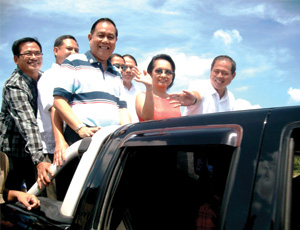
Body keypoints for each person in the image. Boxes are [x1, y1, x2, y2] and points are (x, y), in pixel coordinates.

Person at [53, 18, 131, 199]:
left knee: (101, 199)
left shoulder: (116, 73)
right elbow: (59, 101)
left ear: (116, 41)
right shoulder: (73, 62)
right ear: (90, 37)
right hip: (80, 143)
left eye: (110, 37)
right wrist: (81, 128)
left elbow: (122, 109)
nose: (105, 41)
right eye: (101, 35)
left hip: (109, 145)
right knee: (74, 201)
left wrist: (125, 134)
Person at [0, 37, 53, 192]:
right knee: (10, 198)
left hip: (36, 151)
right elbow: (28, 123)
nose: (34, 57)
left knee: (37, 196)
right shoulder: (14, 85)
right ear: (16, 59)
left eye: (37, 53)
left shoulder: (45, 79)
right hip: (13, 155)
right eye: (28, 54)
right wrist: (40, 160)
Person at [37, 35, 79, 200]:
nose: (73, 53)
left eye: (76, 50)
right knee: (56, 201)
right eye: (69, 49)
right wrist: (60, 142)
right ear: (56, 51)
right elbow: (54, 108)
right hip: (54, 149)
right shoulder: (50, 76)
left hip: (70, 147)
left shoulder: (74, 76)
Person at [170, 55, 236, 115]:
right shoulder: (199, 85)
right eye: (216, 71)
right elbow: (196, 96)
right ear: (211, 70)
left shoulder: (230, 97)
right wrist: (193, 100)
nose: (219, 76)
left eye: (225, 73)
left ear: (233, 76)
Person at [134, 54, 181, 121]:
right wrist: (149, 87)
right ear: (150, 74)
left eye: (168, 72)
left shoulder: (175, 100)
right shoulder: (142, 96)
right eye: (159, 71)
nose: (163, 75)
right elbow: (147, 118)